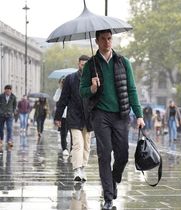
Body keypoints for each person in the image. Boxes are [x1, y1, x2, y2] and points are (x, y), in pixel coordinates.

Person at [79, 29, 145, 209]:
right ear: (97, 41)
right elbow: (82, 91)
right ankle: (108, 197)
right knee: (104, 154)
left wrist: (139, 114)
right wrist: (92, 88)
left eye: (109, 39)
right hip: (100, 115)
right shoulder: (91, 65)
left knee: (122, 154)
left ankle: (114, 179)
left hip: (121, 115)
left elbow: (131, 89)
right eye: (103, 39)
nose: (107, 42)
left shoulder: (123, 62)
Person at [55, 54, 92, 182]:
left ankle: (83, 167)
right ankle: (76, 169)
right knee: (78, 144)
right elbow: (63, 99)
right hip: (74, 116)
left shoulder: (95, 79)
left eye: (86, 65)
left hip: (89, 117)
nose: (84, 67)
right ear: (78, 64)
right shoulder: (70, 79)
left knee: (87, 145)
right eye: (82, 64)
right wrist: (58, 117)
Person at [53, 76, 70, 156]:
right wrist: (60, 90)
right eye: (62, 82)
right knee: (63, 133)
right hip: (63, 115)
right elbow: (55, 99)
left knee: (73, 133)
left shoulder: (71, 89)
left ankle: (73, 149)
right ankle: (65, 148)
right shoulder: (59, 90)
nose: (63, 84)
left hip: (71, 114)